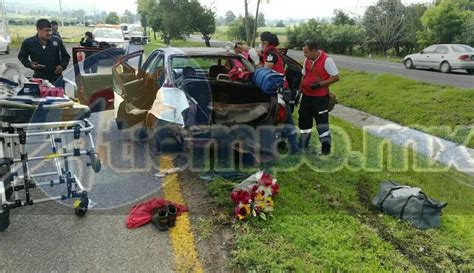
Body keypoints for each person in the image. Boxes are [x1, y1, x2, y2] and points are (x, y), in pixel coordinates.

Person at [297, 40, 340, 155]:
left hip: (320, 98)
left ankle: (326, 149)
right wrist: (299, 92)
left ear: (314, 51)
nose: (304, 55)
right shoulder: (307, 61)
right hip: (307, 96)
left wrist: (320, 84)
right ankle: (303, 146)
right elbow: (303, 76)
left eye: (306, 52)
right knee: (304, 121)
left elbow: (336, 77)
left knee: (321, 123)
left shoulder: (327, 60)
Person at [259, 31, 299, 154]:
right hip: (279, 89)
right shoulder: (271, 52)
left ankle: (295, 149)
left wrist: (256, 64)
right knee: (281, 118)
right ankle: (284, 143)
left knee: (287, 120)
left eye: (260, 42)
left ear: (265, 42)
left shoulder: (271, 55)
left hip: (281, 91)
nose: (260, 44)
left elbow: (265, 71)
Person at [18, 19, 70, 87]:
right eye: (46, 31)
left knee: (59, 97)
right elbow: (22, 56)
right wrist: (30, 64)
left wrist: (62, 66)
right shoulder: (28, 43)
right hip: (39, 79)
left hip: (56, 79)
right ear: (38, 29)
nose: (49, 33)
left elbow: (66, 56)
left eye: (50, 30)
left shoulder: (57, 41)